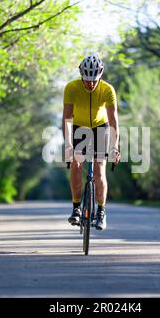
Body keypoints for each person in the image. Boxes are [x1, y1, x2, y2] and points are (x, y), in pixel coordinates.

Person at [62, 54, 120, 230]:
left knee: (99, 169)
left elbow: (114, 120)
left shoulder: (107, 90)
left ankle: (101, 211)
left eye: (94, 80)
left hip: (100, 127)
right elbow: (66, 119)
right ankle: (76, 208)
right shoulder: (71, 88)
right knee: (76, 164)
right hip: (79, 128)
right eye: (87, 80)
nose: (90, 84)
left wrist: (115, 146)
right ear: (81, 75)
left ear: (100, 74)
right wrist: (69, 145)